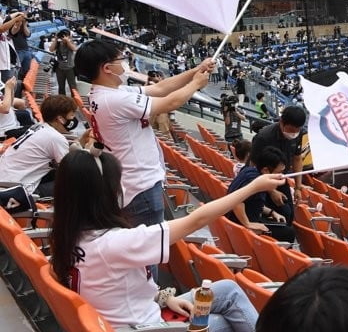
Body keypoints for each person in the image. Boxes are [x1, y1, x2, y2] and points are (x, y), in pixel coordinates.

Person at [49, 150, 282, 332]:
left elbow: (111, 287)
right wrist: (252, 187)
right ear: (102, 194)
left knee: (228, 290)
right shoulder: (114, 243)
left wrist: (163, 298)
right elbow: (196, 220)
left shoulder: (68, 236)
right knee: (229, 324)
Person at [75, 39, 212, 227]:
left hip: (134, 183)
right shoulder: (115, 99)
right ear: (107, 68)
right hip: (140, 187)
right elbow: (170, 102)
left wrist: (196, 70)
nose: (125, 63)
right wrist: (196, 84)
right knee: (148, 249)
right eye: (120, 59)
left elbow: (160, 88)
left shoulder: (111, 93)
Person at [0, 95, 91, 197]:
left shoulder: (39, 127)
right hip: (17, 189)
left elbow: (65, 160)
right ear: (60, 119)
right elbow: (70, 170)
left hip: (6, 179)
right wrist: (88, 151)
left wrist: (81, 142)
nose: (74, 119)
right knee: (81, 182)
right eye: (72, 115)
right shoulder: (55, 138)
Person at [227, 146, 295, 242]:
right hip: (239, 225)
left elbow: (252, 203)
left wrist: (272, 212)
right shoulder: (253, 180)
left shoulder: (250, 171)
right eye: (279, 172)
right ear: (266, 170)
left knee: (282, 225)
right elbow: (237, 202)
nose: (281, 176)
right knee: (288, 233)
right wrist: (248, 224)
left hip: (242, 219)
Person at [250, 105, 308, 209]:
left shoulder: (299, 135)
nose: (294, 133)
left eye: (297, 130)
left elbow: (297, 158)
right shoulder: (264, 137)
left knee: (288, 211)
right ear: (281, 122)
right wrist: (271, 191)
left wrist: (298, 188)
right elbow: (253, 168)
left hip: (280, 178)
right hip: (259, 179)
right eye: (290, 130)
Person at [48, 28, 77, 96]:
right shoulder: (58, 43)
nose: (64, 37)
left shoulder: (71, 42)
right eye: (63, 36)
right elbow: (51, 49)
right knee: (61, 87)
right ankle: (62, 101)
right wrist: (55, 39)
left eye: (66, 35)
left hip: (70, 68)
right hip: (60, 68)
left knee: (73, 87)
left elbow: (74, 48)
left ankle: (75, 101)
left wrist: (67, 41)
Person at [9, 10, 32, 80]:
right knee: (16, 70)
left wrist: (24, 24)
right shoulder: (9, 24)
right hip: (17, 51)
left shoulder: (23, 25)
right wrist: (17, 23)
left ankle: (22, 84)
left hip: (26, 50)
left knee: (26, 69)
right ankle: (16, 85)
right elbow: (13, 32)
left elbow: (28, 34)